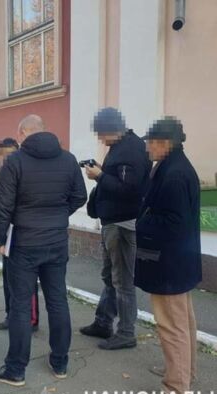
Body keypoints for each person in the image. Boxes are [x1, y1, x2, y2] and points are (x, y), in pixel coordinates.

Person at [0, 115, 87, 386]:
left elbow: (3, 206)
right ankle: (60, 363)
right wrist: (58, 216)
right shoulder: (68, 159)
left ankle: (16, 369)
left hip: (24, 243)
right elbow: (80, 196)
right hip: (56, 242)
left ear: (22, 132)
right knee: (57, 300)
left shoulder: (15, 162)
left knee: (20, 305)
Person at [135, 117, 201, 394]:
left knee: (172, 326)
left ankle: (175, 390)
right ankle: (185, 373)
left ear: (165, 143)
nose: (147, 148)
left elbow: (174, 223)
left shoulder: (174, 174)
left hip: (169, 263)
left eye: (151, 142)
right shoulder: (173, 165)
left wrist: (142, 222)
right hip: (178, 260)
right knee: (182, 322)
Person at [79, 108, 151, 350]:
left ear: (112, 129)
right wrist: (103, 171)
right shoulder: (123, 146)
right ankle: (103, 322)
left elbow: (129, 189)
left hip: (122, 225)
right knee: (110, 277)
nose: (100, 139)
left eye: (101, 133)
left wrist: (100, 176)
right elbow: (122, 179)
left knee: (122, 281)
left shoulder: (131, 149)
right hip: (114, 222)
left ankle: (126, 333)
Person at [0, 138, 40, 332]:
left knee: (27, 278)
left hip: (24, 232)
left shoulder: (25, 171)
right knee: (8, 276)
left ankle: (31, 319)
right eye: (3, 155)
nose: (6, 159)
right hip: (8, 231)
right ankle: (11, 314)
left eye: (10, 155)